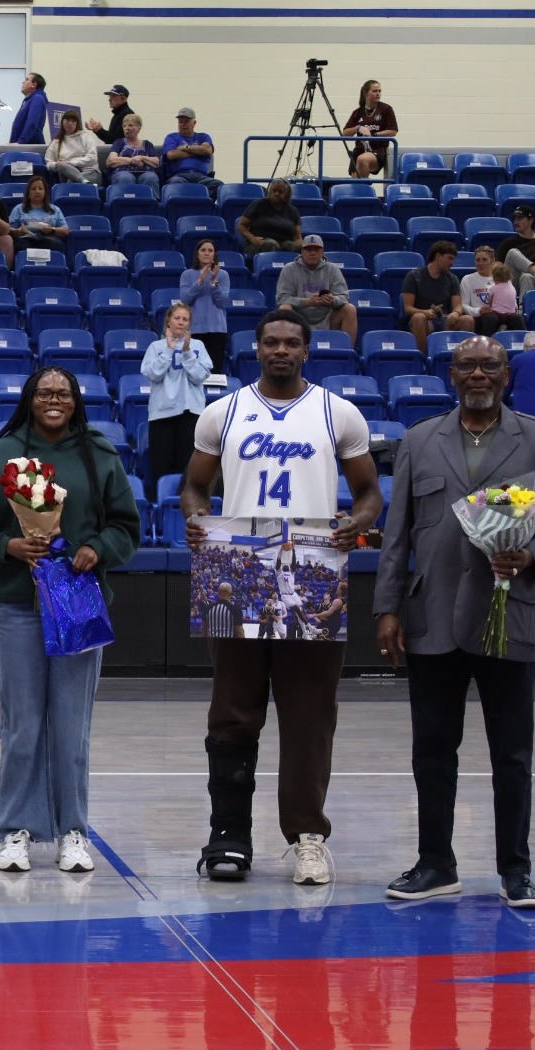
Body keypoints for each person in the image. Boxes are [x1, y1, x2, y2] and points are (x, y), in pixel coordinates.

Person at [179, 310, 381, 886]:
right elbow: (195, 487)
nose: (281, 350)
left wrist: (355, 524)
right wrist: (198, 519)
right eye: (272, 342)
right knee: (233, 712)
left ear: (307, 351)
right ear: (256, 349)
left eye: (292, 342)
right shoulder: (224, 411)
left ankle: (307, 837)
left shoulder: (336, 411)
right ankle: (229, 836)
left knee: (309, 715)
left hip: (314, 569)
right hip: (240, 569)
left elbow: (370, 494)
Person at [375, 337, 535, 911]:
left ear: (506, 375)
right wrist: (387, 607)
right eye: (467, 366)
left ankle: (516, 870)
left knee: (512, 753)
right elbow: (397, 536)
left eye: (490, 365)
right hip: (431, 616)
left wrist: (532, 556)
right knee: (432, 750)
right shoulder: (418, 441)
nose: (479, 374)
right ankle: (436, 863)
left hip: (508, 615)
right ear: (452, 375)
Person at [0, 365, 142, 874]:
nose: (54, 400)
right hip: (17, 606)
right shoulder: (0, 454)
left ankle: (73, 831)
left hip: (78, 605)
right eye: (45, 392)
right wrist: (8, 546)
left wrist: (96, 548)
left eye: (63, 393)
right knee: (21, 725)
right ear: (30, 398)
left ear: (76, 400)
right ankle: (16, 829)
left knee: (71, 726)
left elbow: (127, 526)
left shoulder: (99, 454)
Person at [141, 303, 213, 501]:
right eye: (177, 318)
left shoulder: (198, 346)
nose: (181, 322)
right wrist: (169, 350)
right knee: (161, 464)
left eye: (185, 319)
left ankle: (184, 508)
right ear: (168, 321)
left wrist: (187, 352)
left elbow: (200, 377)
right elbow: (153, 374)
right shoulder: (156, 347)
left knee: (187, 465)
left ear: (190, 323)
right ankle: (160, 510)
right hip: (162, 413)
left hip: (191, 412)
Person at [276, 235, 360, 343]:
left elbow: (344, 297)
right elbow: (282, 298)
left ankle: (347, 353)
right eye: (308, 249)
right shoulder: (289, 269)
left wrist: (332, 300)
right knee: (284, 309)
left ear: (322, 252)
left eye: (316, 249)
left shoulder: (332, 269)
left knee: (350, 309)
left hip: (327, 318)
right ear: (302, 252)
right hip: (299, 319)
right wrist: (306, 302)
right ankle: (287, 352)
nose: (312, 253)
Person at [403, 240, 476, 352]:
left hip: (445, 319)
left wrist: (456, 313)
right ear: (438, 256)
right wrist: (425, 312)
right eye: (449, 258)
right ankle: (423, 359)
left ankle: (462, 358)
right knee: (418, 318)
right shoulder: (414, 276)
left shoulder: (452, 278)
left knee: (468, 320)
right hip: (425, 320)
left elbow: (457, 305)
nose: (452, 262)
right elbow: (408, 308)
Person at [180, 239, 231, 372]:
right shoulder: (187, 275)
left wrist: (214, 283)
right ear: (197, 254)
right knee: (194, 370)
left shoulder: (223, 275)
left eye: (210, 250)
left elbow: (222, 302)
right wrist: (200, 280)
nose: (207, 253)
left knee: (214, 371)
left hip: (217, 330)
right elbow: (185, 300)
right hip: (194, 330)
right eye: (203, 250)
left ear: (215, 254)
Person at [343, 80, 397, 179]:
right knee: (355, 179)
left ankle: (363, 188)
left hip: (378, 150)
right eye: (374, 91)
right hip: (359, 149)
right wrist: (357, 128)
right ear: (365, 93)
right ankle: (364, 187)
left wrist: (374, 135)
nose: (378, 94)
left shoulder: (386, 109)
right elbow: (345, 133)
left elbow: (393, 131)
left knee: (363, 159)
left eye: (379, 91)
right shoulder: (358, 112)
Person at [238, 179, 302, 254]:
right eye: (273, 191)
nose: (276, 193)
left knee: (294, 247)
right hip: (259, 243)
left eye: (280, 191)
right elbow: (241, 225)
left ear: (287, 194)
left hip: (283, 243)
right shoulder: (258, 204)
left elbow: (297, 237)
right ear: (269, 192)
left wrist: (301, 248)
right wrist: (252, 238)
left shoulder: (293, 210)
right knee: (271, 244)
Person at [8, 176, 68, 253]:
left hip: (49, 239)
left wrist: (52, 230)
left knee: (55, 244)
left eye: (40, 188)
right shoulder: (18, 208)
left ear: (45, 192)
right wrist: (19, 231)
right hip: (26, 239)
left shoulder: (55, 209)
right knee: (21, 245)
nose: (37, 191)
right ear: (28, 193)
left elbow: (65, 230)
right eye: (33, 189)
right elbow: (9, 230)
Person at [44, 109, 105, 185]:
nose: (70, 123)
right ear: (62, 122)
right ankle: (84, 182)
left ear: (77, 123)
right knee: (62, 165)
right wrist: (57, 164)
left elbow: (92, 157)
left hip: (90, 172)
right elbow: (48, 163)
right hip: (67, 175)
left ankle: (83, 181)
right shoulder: (56, 142)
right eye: (67, 120)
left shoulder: (85, 137)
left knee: (71, 182)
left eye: (73, 121)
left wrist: (72, 163)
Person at [162, 108, 217, 191]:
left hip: (201, 177)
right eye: (181, 121)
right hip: (179, 176)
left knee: (218, 185)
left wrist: (185, 148)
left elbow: (207, 151)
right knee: (174, 183)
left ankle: (201, 203)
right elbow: (171, 155)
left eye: (186, 121)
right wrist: (198, 151)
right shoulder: (171, 137)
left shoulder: (203, 136)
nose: (183, 124)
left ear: (194, 123)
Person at [104, 114, 161, 192]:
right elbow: (111, 161)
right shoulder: (119, 142)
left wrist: (142, 158)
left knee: (150, 178)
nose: (127, 128)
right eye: (124, 126)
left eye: (130, 125)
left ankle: (151, 203)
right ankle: (125, 203)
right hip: (123, 172)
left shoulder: (147, 144)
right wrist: (131, 160)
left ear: (139, 127)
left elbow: (156, 162)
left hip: (145, 173)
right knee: (125, 177)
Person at [10, 73, 49, 146]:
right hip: (24, 145)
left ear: (33, 84)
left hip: (29, 146)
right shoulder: (29, 100)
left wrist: (20, 142)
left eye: (26, 80)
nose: (23, 82)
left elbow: (32, 122)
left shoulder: (37, 98)